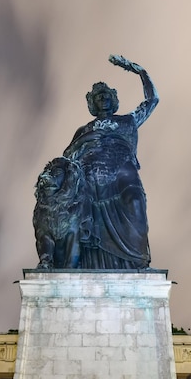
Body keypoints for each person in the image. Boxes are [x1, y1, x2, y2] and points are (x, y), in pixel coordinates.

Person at [63, 55, 159, 269]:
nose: (103, 99)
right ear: (93, 103)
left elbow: (152, 100)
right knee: (84, 218)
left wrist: (139, 70)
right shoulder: (84, 130)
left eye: (106, 95)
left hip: (122, 171)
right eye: (98, 97)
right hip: (91, 181)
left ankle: (138, 260)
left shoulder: (128, 121)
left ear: (113, 99)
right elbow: (66, 159)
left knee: (135, 201)